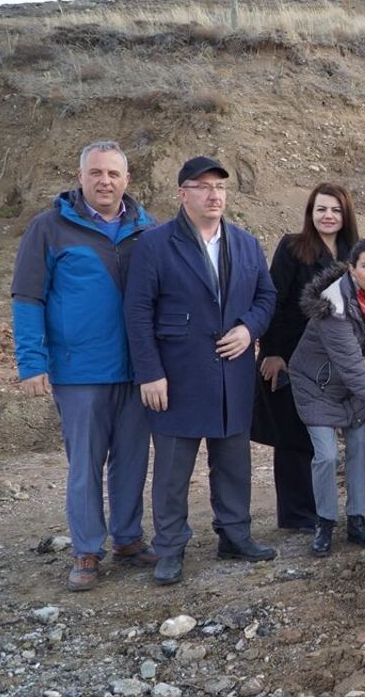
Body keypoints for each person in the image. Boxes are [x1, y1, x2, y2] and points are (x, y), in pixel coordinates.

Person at [123, 156, 278, 586]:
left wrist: (248, 329)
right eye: (203, 186)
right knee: (173, 473)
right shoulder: (154, 245)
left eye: (220, 187)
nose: (214, 195)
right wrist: (149, 373)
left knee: (233, 464)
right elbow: (137, 312)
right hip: (177, 377)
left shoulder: (246, 244)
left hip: (232, 376)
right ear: (182, 194)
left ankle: (235, 536)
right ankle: (170, 549)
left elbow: (266, 297)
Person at [11, 140, 158, 591]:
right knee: (85, 466)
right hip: (80, 372)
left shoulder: (148, 228)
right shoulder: (49, 228)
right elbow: (27, 297)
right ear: (80, 177)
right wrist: (32, 362)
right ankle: (87, 549)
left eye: (113, 173)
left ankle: (128, 538)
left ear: (127, 179)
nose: (105, 181)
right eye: (96, 172)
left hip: (137, 370)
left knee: (132, 460)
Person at [289, 239, 365, 555]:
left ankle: (357, 520)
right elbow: (353, 367)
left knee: (359, 449)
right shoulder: (333, 308)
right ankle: (325, 523)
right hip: (317, 386)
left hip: (352, 390)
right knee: (327, 455)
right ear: (352, 269)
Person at [253, 184, 358, 533]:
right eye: (321, 209)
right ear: (310, 213)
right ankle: (298, 515)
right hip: (292, 356)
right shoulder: (292, 247)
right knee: (293, 436)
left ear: (346, 215)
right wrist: (272, 352)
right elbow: (274, 300)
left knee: (324, 438)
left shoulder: (354, 252)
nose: (328, 216)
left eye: (335, 210)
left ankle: (325, 510)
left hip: (336, 362)